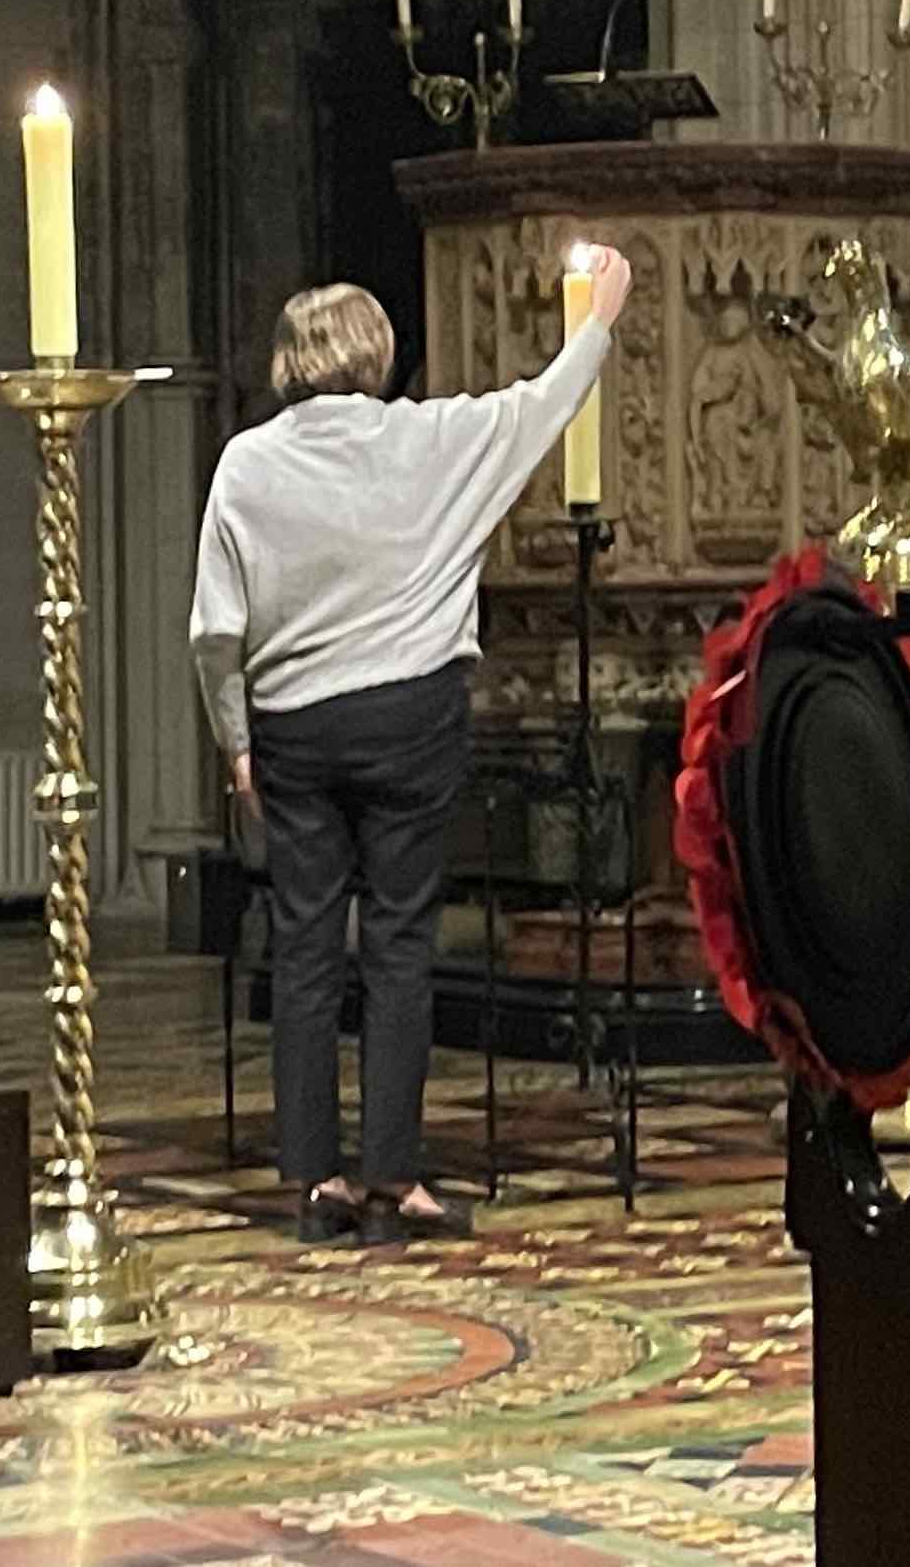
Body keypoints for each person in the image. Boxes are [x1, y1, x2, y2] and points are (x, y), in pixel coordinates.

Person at [190, 249, 630, 1245]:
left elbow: (214, 629)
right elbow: (543, 404)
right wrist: (597, 316)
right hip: (409, 717)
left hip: (294, 723)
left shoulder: (246, 464)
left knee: (303, 950)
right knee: (398, 949)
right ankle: (392, 1179)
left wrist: (236, 743)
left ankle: (312, 1183)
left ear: (290, 363)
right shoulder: (432, 439)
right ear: (377, 355)